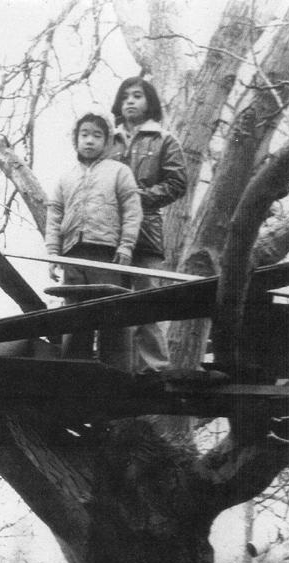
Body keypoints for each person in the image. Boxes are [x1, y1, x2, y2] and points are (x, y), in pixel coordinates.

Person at [45, 106, 142, 370]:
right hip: (73, 254)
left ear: (108, 141)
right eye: (84, 134)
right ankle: (75, 372)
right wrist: (53, 254)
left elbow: (132, 211)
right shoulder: (66, 177)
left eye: (97, 135)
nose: (89, 140)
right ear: (76, 139)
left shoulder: (119, 172)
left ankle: (117, 373)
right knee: (75, 315)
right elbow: (54, 215)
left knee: (112, 311)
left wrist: (126, 246)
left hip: (106, 254)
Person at [110, 77, 187, 373]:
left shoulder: (164, 139)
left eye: (137, 95)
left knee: (147, 300)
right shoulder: (109, 140)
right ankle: (118, 370)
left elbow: (178, 183)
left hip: (147, 231)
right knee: (113, 301)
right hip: (110, 234)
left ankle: (153, 369)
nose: (130, 101)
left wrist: (139, 198)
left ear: (149, 103)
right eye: (125, 96)